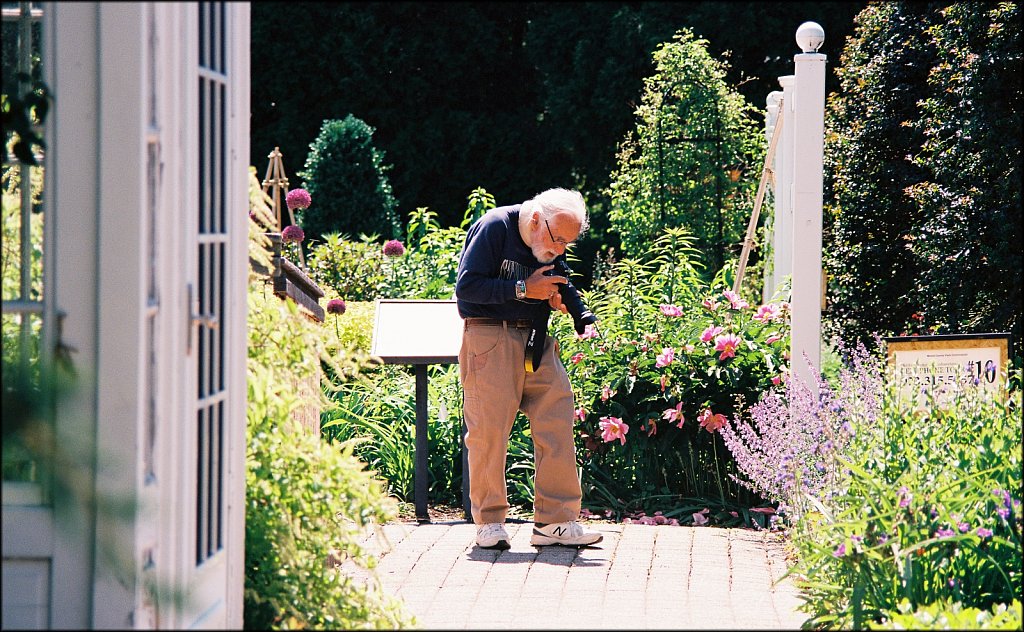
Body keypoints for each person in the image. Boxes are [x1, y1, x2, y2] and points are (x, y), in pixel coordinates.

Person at [455, 187, 603, 549]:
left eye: (568, 243)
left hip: (535, 339)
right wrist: (523, 288)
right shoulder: (494, 228)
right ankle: (489, 523)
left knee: (557, 416)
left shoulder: (547, 244)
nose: (560, 250)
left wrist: (567, 305)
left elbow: (558, 281)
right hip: (490, 337)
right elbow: (466, 287)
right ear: (536, 220)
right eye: (558, 239)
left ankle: (555, 521)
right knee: (488, 432)